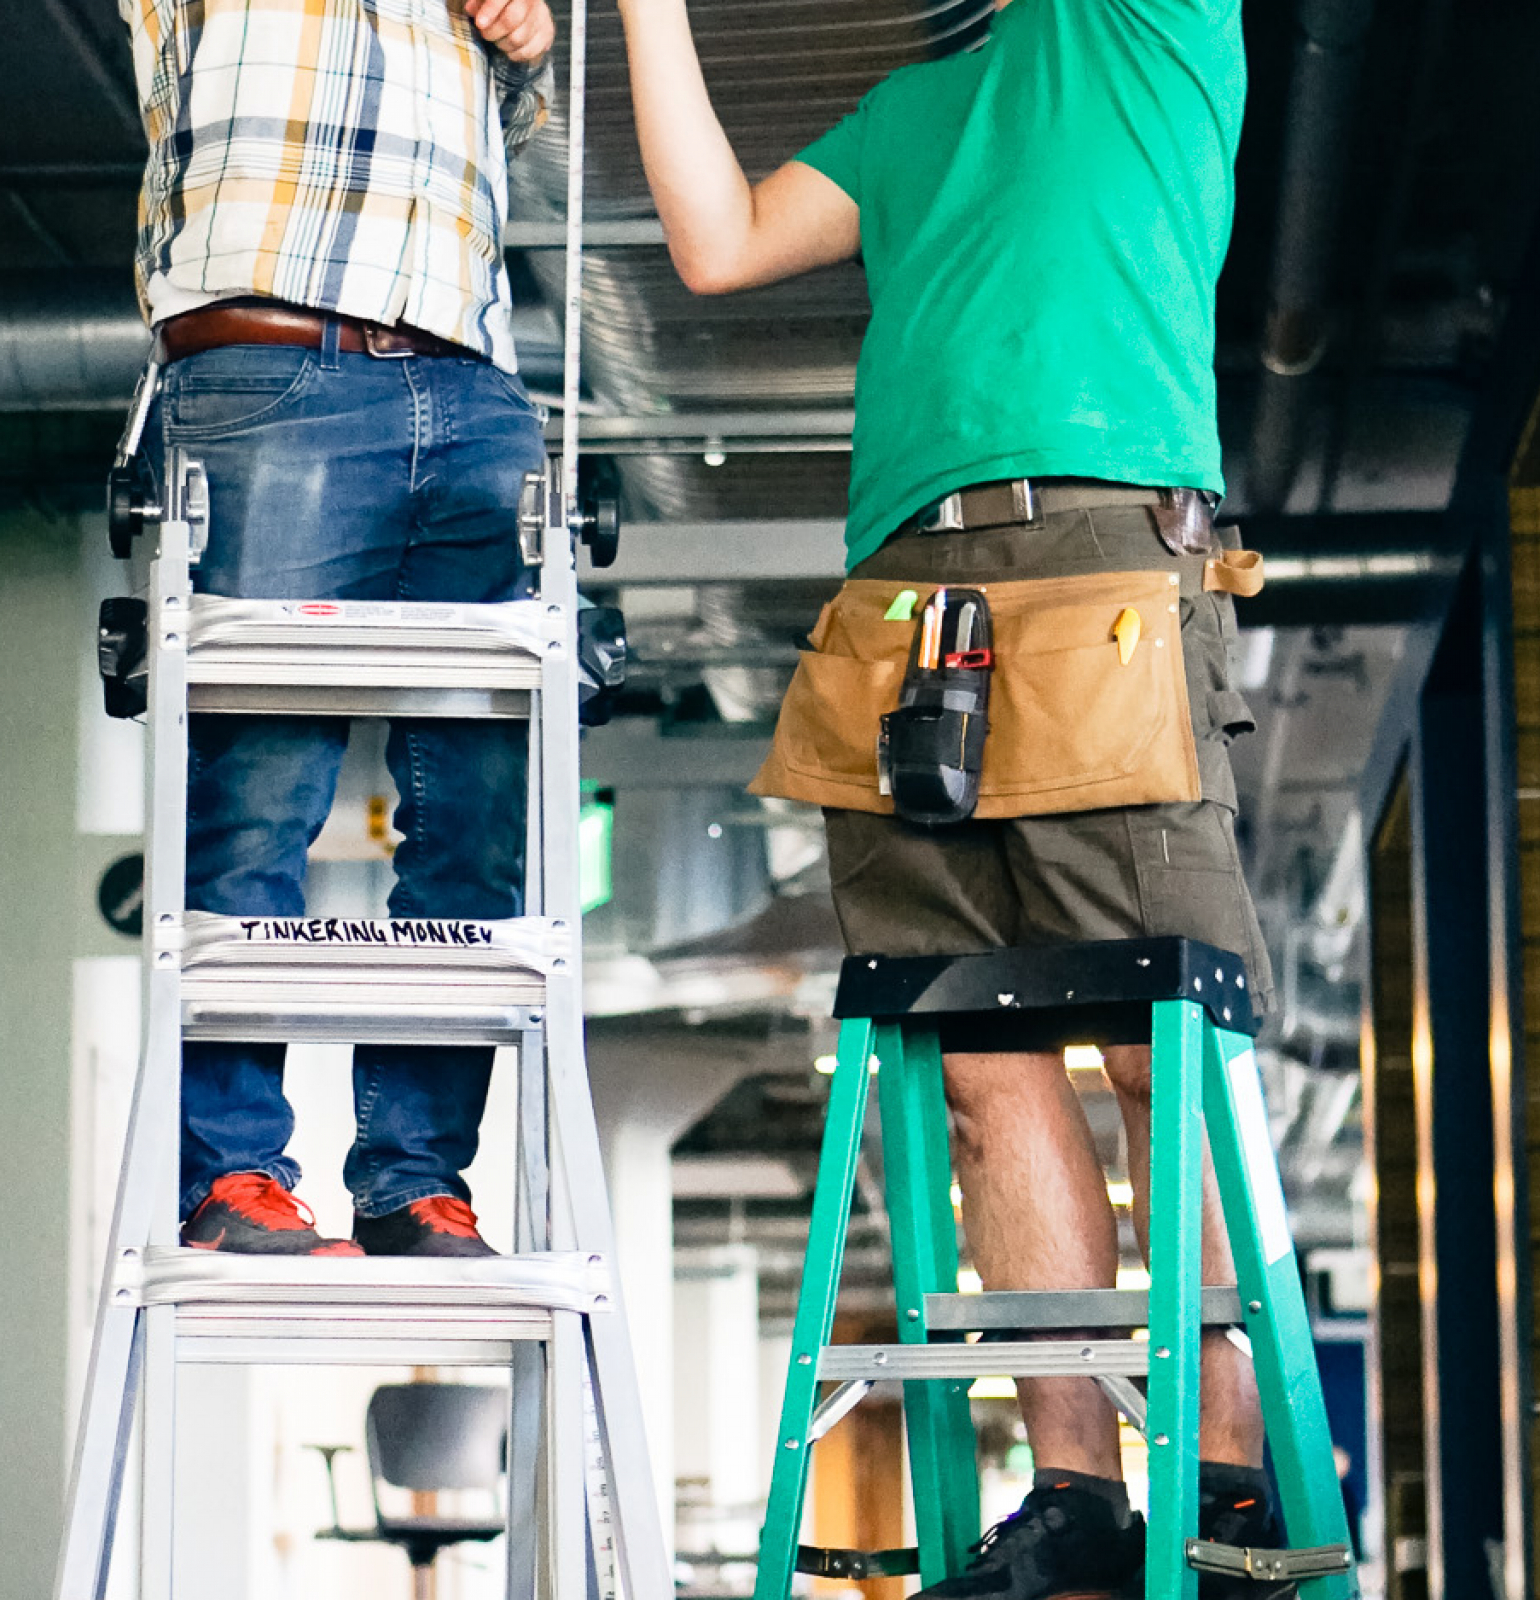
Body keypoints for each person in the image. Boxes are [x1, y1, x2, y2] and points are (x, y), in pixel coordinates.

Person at [615, 2, 1292, 1597]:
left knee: (1152, 1045)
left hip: (1106, 563)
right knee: (981, 1068)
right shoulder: (917, 111)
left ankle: (1229, 1480)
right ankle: (1072, 1492)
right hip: (907, 606)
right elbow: (713, 244)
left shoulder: (1147, 29)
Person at [121, 0, 556, 1259]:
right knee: (257, 792)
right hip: (270, 368)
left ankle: (415, 1178)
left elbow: (501, 130)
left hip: (471, 385)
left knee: (474, 827)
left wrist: (522, 44)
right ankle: (233, 1172)